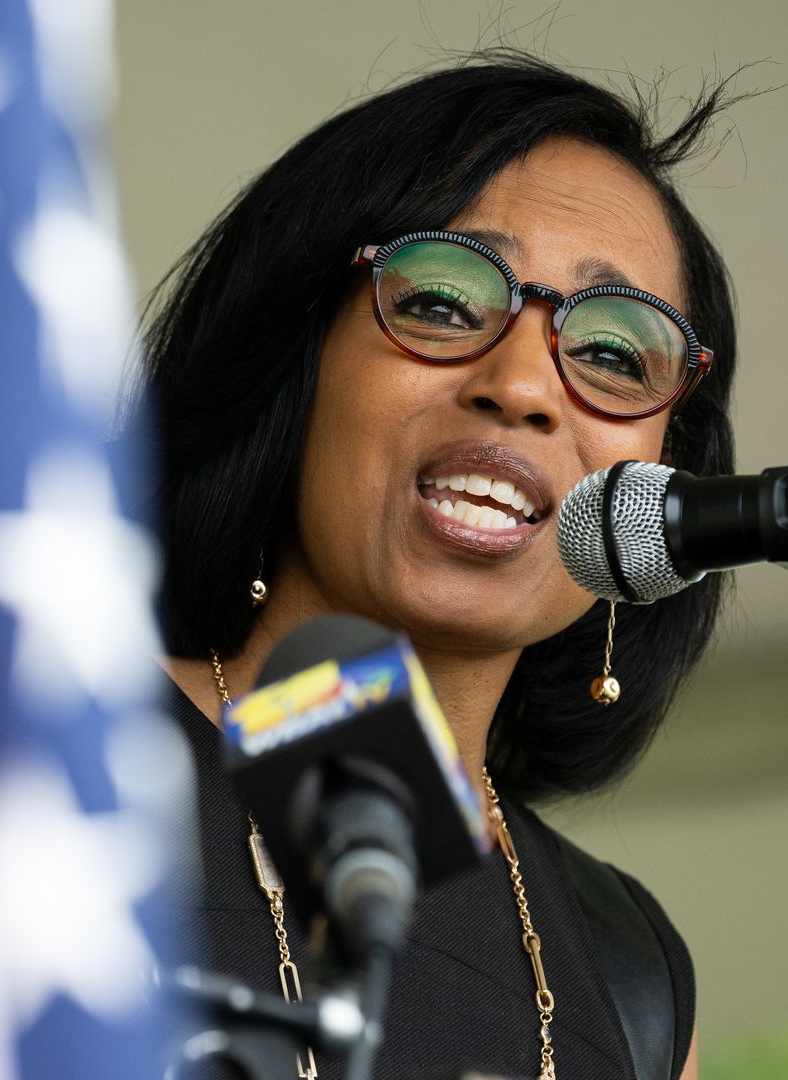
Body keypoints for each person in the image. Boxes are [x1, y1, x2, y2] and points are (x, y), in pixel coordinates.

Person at [142, 52, 742, 1080]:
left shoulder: (632, 976)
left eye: (610, 353)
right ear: (292, 366)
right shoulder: (33, 748)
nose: (521, 385)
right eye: (444, 302)